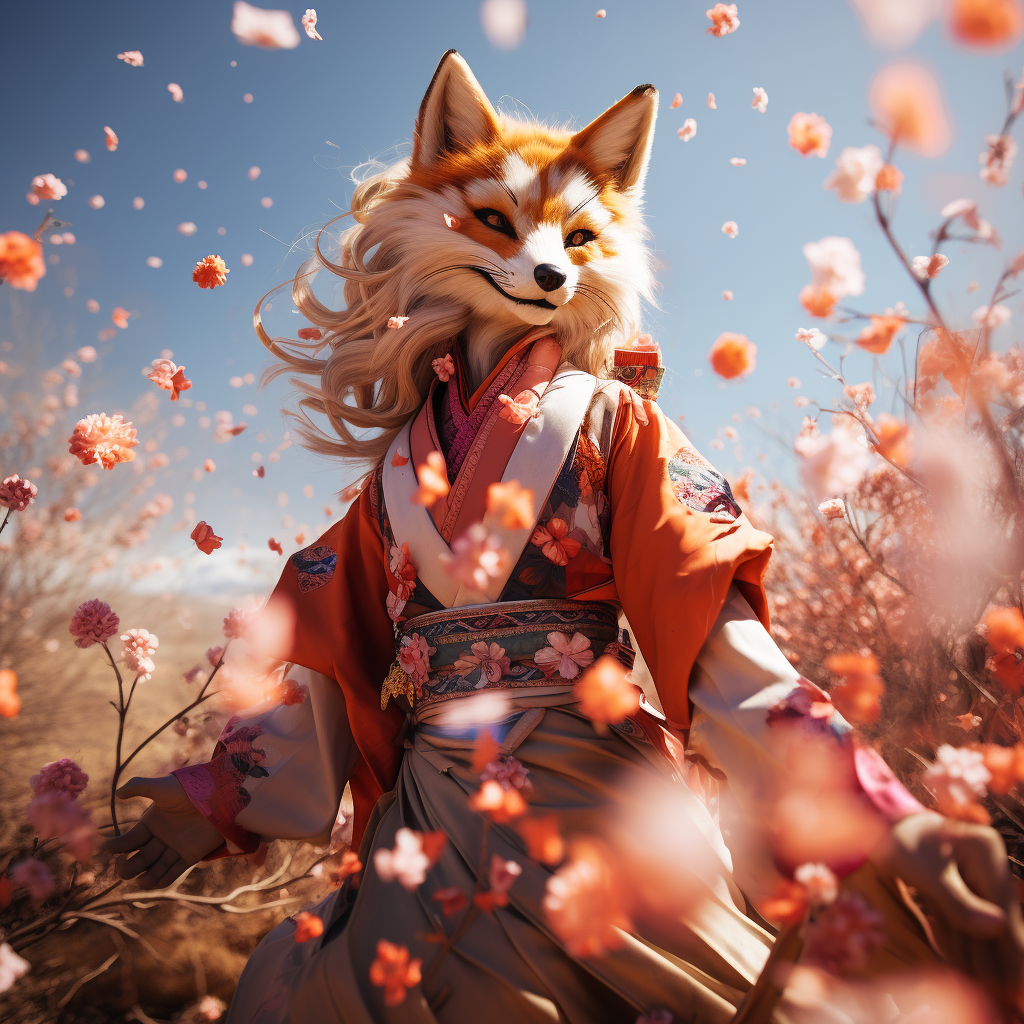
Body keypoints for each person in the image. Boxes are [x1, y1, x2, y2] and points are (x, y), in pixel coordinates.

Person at [104, 51, 1024, 1024]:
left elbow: (716, 635)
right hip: (426, 817)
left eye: (575, 234)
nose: (544, 257)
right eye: (501, 221)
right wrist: (214, 799)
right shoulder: (387, 484)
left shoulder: (619, 426)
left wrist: (877, 811)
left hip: (594, 799)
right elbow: (324, 666)